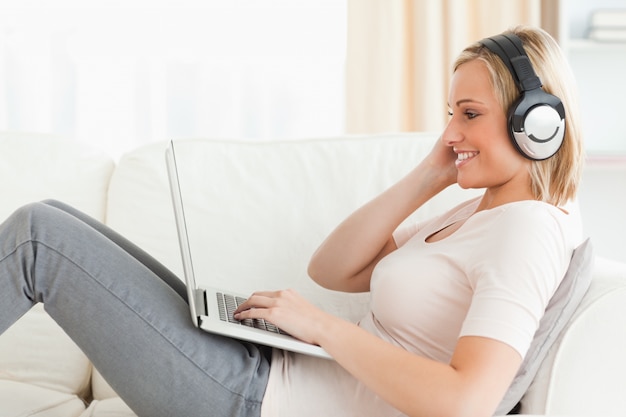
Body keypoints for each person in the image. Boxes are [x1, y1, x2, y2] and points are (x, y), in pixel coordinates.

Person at [0, 25, 584, 417]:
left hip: (255, 398)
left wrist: (321, 327)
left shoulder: (527, 230)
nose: (450, 131)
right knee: (53, 217)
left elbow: (467, 400)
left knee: (37, 238)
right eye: (449, 113)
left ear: (539, 124)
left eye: (470, 114)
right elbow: (333, 268)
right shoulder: (475, 212)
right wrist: (430, 175)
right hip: (264, 370)